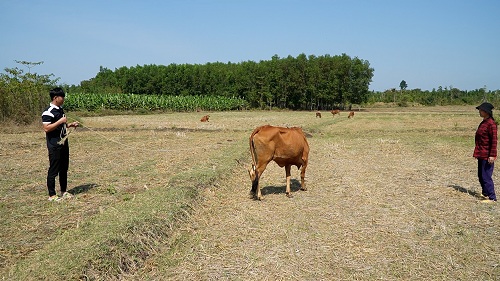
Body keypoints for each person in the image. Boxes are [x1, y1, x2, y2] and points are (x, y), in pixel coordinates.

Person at [41, 87, 79, 201]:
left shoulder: (60, 110)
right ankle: (52, 195)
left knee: (64, 168)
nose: (63, 99)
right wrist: (60, 121)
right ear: (55, 98)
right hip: (54, 145)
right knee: (54, 169)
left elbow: (61, 126)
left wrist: (70, 125)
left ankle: (64, 191)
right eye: (62, 97)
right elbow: (46, 128)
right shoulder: (48, 112)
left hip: (63, 143)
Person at [474, 102, 497, 203]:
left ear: (486, 111)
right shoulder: (484, 122)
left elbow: (494, 141)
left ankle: (492, 198)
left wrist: (492, 155)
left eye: (481, 110)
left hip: (487, 154)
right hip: (481, 153)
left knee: (486, 176)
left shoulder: (491, 124)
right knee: (480, 174)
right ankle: (485, 193)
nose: (479, 111)